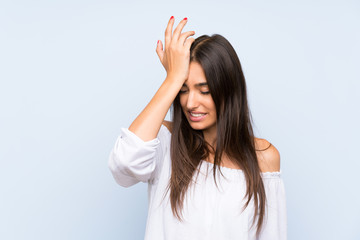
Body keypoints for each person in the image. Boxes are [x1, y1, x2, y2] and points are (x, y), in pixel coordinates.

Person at [108, 16, 287, 240]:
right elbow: (124, 165)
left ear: (228, 89)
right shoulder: (164, 141)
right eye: (183, 90)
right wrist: (171, 79)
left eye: (204, 90)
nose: (190, 103)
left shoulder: (263, 158)